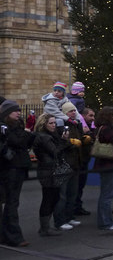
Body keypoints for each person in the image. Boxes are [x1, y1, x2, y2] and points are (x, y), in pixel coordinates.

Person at [0, 100, 34, 246]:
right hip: (10, 168)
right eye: (15, 110)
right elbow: (18, 141)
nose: (19, 112)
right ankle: (13, 236)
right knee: (11, 203)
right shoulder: (7, 128)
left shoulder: (15, 126)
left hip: (18, 166)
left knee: (12, 203)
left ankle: (7, 234)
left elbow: (25, 141)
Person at [53, 102, 84, 231]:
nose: (73, 112)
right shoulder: (61, 125)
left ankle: (69, 216)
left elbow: (80, 139)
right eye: (70, 111)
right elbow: (59, 144)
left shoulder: (77, 124)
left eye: (74, 110)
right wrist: (70, 142)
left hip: (75, 162)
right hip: (65, 163)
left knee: (72, 192)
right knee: (63, 194)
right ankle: (60, 220)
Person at [33, 113, 65, 237]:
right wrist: (64, 141)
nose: (54, 125)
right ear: (44, 124)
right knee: (49, 198)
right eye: (51, 123)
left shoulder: (49, 136)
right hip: (48, 170)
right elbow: (55, 152)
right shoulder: (44, 137)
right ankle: (45, 227)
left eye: (54, 123)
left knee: (53, 197)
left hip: (49, 169)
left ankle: (46, 226)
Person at [74, 107, 95, 216]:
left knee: (80, 186)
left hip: (85, 159)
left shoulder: (90, 127)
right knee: (76, 186)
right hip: (79, 160)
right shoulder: (80, 126)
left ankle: (77, 206)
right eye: (90, 115)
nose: (92, 118)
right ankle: (74, 207)